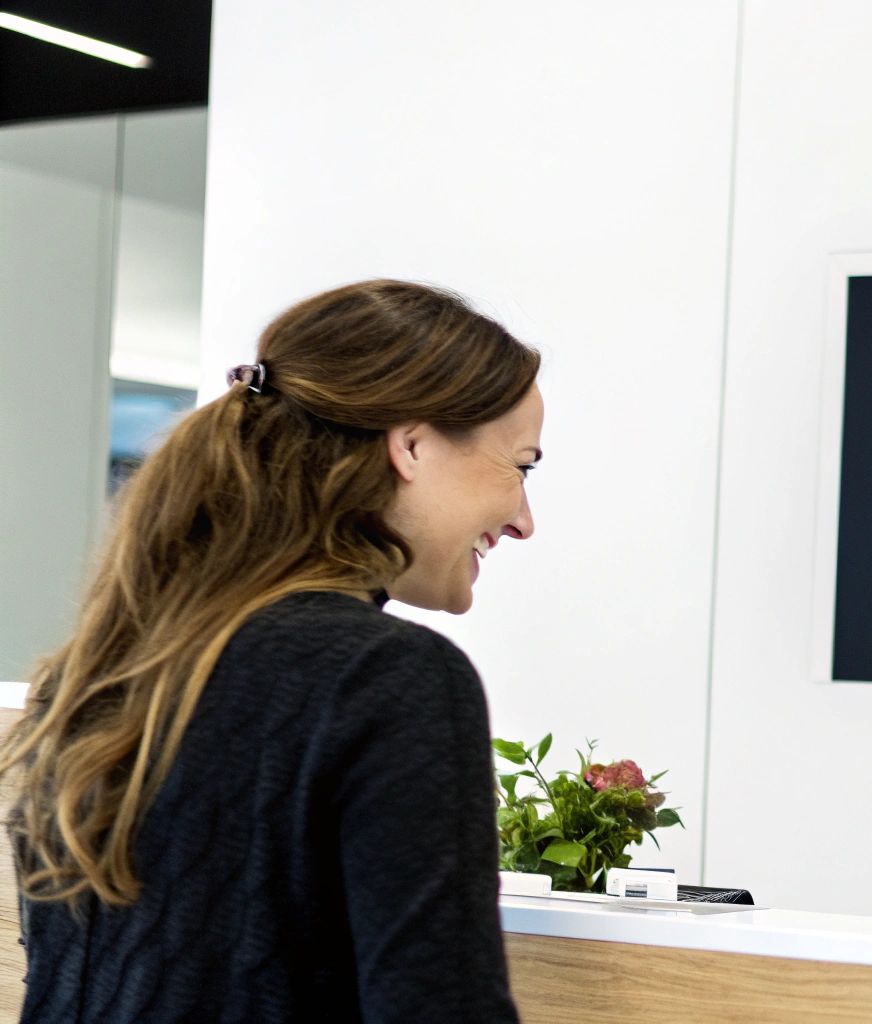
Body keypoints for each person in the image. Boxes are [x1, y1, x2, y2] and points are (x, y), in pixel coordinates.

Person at [0, 280, 543, 1021]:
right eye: (521, 466)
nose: (523, 520)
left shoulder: (97, 675)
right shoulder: (388, 677)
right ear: (411, 445)